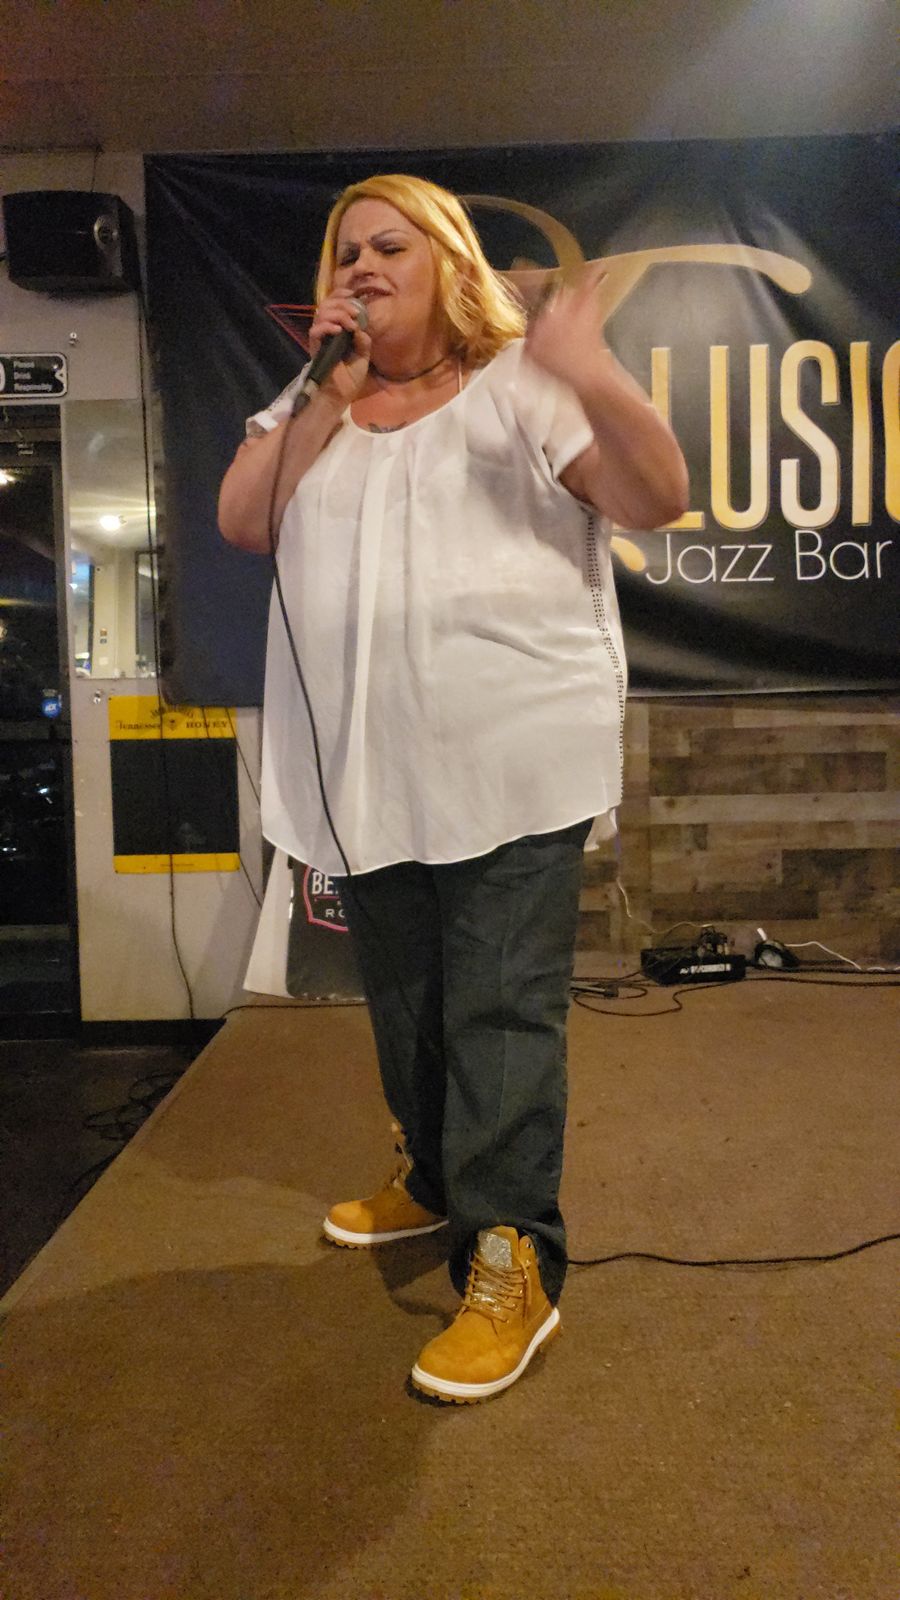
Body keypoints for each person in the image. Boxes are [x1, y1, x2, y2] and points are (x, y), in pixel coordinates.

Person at [218, 173, 688, 1404]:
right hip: (367, 775)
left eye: (390, 246)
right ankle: (433, 1177)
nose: (363, 267)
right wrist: (328, 391)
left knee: (499, 1015)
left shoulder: (521, 384)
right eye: (346, 253)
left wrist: (590, 370)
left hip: (511, 765)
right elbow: (243, 520)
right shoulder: (315, 405)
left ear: (450, 261)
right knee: (409, 1008)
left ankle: (514, 1254)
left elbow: (657, 497)